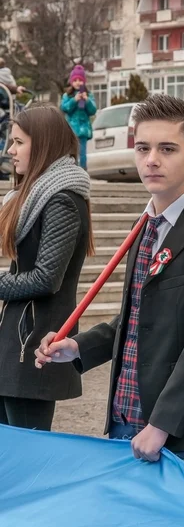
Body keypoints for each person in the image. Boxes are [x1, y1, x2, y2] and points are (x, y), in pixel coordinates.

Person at [35, 95, 184, 488]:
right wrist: (81, 347)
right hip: (126, 426)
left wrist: (162, 425)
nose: (152, 159)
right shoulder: (146, 228)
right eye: (143, 148)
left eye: (167, 148)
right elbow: (137, 317)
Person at [0, 105, 95, 431]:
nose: (9, 150)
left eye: (18, 142)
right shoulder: (32, 197)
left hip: (34, 345)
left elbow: (45, 279)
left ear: (43, 144)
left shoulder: (62, 199)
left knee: (27, 460)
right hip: (15, 344)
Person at [60, 65, 97, 170]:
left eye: (80, 80)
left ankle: (83, 170)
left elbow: (93, 110)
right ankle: (71, 171)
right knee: (70, 153)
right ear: (71, 82)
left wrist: (87, 101)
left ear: (84, 82)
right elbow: (64, 108)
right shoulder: (67, 95)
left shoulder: (88, 95)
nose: (78, 82)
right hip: (70, 129)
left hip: (83, 129)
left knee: (82, 153)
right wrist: (74, 100)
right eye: (75, 80)